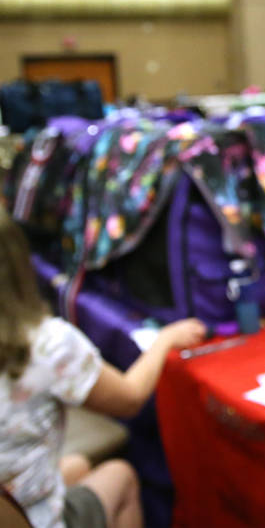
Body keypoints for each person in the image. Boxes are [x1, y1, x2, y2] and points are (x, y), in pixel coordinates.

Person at [0, 207, 206, 528]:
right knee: (120, 475)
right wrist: (165, 340)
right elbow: (130, 399)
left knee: (78, 465)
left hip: (14, 498)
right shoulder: (45, 345)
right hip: (30, 519)